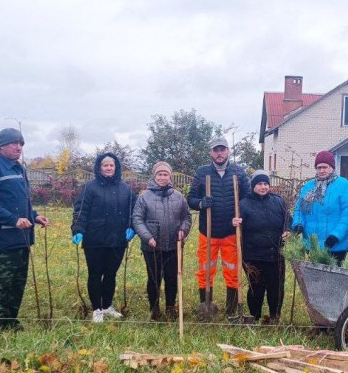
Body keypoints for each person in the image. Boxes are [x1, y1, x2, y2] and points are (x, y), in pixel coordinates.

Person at [0, 128, 50, 331]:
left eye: (21, 143)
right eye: (14, 143)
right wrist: (13, 220)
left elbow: (20, 201)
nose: (19, 147)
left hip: (21, 238)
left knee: (17, 283)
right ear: (1, 146)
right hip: (2, 238)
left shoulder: (18, 169)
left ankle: (8, 321)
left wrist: (34, 216)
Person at [187, 136, 251, 316]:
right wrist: (201, 203)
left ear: (228, 151)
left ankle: (232, 310)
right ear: (211, 153)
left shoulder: (238, 173)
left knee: (232, 270)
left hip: (231, 232)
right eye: (216, 150)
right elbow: (190, 199)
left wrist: (240, 216)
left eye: (222, 149)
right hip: (208, 232)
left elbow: (247, 199)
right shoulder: (202, 173)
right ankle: (205, 307)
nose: (219, 153)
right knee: (206, 270)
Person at [71, 153, 136, 323]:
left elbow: (133, 211)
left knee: (110, 274)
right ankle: (97, 309)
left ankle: (107, 306)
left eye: (111, 165)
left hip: (117, 239)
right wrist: (78, 229)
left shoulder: (125, 189)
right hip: (95, 238)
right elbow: (81, 210)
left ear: (116, 167)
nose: (108, 168)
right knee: (95, 273)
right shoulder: (90, 188)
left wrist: (132, 227)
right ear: (99, 168)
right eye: (105, 165)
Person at [132, 161, 192, 321]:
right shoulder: (144, 196)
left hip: (173, 245)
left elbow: (186, 217)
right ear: (154, 176)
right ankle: (154, 309)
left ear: (169, 177)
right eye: (160, 174)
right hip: (152, 246)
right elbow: (137, 219)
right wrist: (148, 237)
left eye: (165, 174)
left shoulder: (178, 196)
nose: (162, 177)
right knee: (154, 278)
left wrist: (183, 230)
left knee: (172, 278)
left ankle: (171, 308)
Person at [232, 170, 291, 323]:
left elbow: (287, 219)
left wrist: (287, 230)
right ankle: (255, 315)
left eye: (265, 184)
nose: (263, 187)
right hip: (253, 255)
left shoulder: (278, 202)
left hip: (275, 254)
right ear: (253, 186)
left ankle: (274, 316)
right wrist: (234, 223)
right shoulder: (244, 204)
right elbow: (237, 226)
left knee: (276, 287)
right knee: (255, 288)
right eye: (259, 184)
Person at [292, 150, 348, 266]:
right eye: (318, 167)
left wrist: (336, 235)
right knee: (312, 279)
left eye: (325, 167)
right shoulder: (308, 187)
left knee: (333, 280)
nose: (321, 170)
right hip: (312, 243)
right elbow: (299, 209)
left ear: (332, 168)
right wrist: (298, 223)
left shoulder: (344, 186)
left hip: (335, 244)